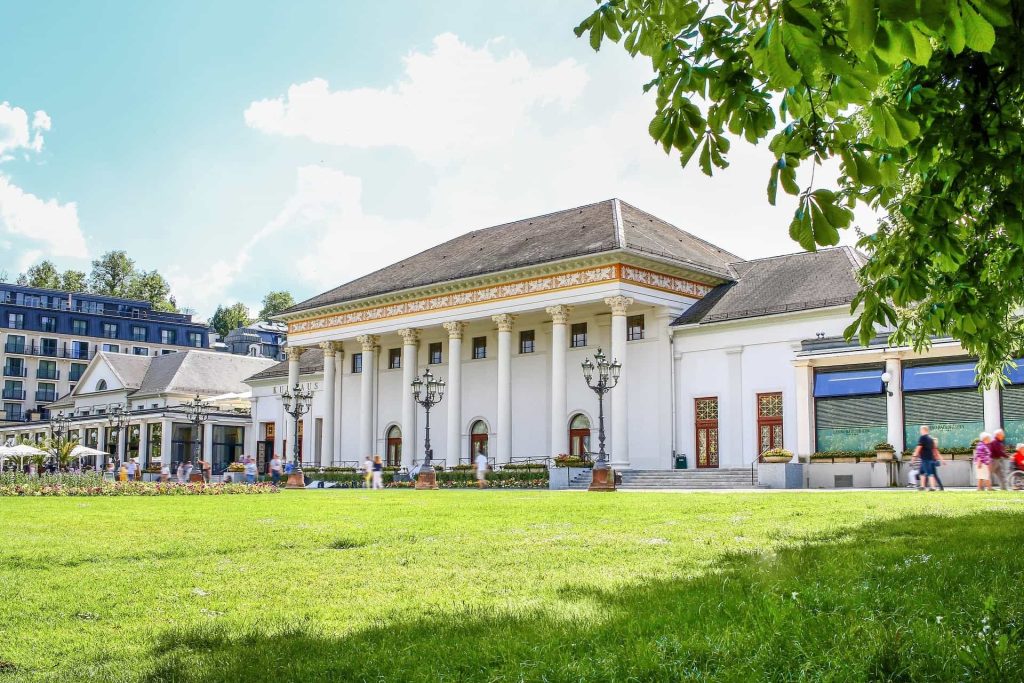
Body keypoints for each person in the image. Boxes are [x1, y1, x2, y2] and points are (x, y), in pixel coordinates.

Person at [913, 425, 939, 491]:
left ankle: (933, 487)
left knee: (930, 473)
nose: (920, 431)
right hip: (928, 458)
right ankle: (922, 486)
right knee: (921, 472)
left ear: (923, 430)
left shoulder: (922, 438)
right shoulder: (931, 438)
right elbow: (934, 449)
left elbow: (918, 448)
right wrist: (936, 457)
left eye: (920, 430)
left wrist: (914, 457)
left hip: (926, 459)